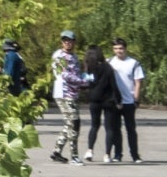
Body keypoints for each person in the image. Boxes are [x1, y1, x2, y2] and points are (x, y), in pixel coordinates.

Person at [105, 40, 146, 164]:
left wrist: (136, 99)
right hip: (114, 101)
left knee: (131, 129)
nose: (119, 51)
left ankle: (135, 155)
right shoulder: (109, 62)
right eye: (116, 48)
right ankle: (118, 154)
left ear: (125, 49)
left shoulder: (133, 63)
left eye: (121, 48)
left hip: (129, 101)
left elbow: (138, 82)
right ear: (113, 49)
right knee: (116, 129)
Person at [48, 31, 85, 164]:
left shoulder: (74, 56)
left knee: (70, 123)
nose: (67, 42)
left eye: (70, 40)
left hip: (72, 93)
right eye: (65, 40)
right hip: (63, 93)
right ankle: (74, 156)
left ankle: (57, 152)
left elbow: (76, 73)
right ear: (61, 42)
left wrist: (83, 79)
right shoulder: (59, 56)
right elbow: (65, 75)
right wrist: (83, 82)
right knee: (74, 124)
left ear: (74, 41)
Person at [82, 45, 120, 164]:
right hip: (108, 100)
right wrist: (118, 100)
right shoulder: (108, 67)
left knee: (94, 126)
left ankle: (89, 150)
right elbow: (114, 85)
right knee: (109, 128)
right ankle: (107, 154)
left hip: (94, 100)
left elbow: (85, 84)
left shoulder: (88, 69)